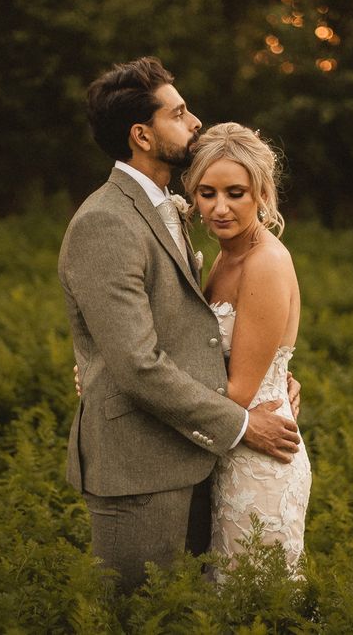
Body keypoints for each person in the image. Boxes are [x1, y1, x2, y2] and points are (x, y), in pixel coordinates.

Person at [57, 57, 301, 593]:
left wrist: (272, 379)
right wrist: (243, 421)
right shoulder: (106, 221)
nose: (195, 124)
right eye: (180, 113)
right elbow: (136, 363)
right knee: (137, 617)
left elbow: (188, 330)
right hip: (139, 470)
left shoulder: (169, 213)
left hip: (192, 455)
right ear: (142, 135)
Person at [182, 122, 312, 570]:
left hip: (260, 459)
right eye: (207, 192)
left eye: (235, 193)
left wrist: (135, 383)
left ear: (261, 193)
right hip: (228, 442)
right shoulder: (226, 254)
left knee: (252, 599)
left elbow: (239, 390)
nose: (219, 208)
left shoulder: (266, 262)